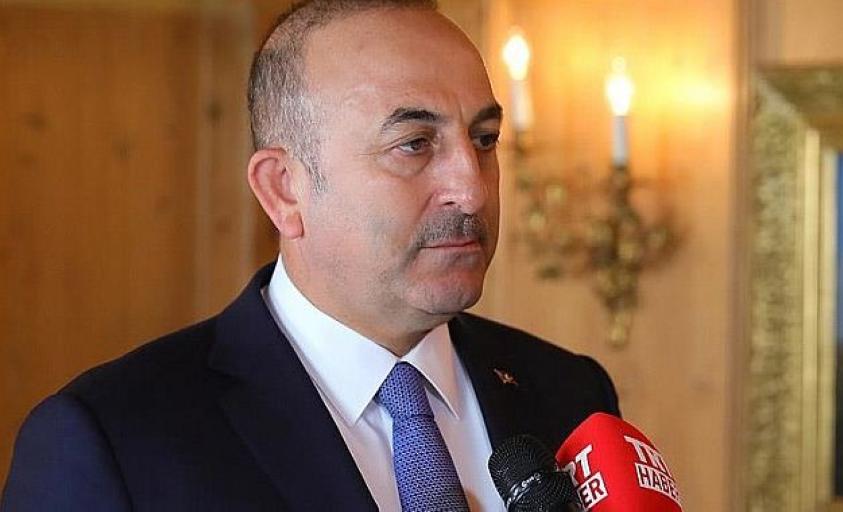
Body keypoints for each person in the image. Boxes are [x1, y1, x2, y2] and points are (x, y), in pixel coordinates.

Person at [1, 1, 619, 510]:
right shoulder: (112, 441)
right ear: (284, 189)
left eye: (484, 139)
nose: (473, 189)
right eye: (413, 144)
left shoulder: (569, 393)